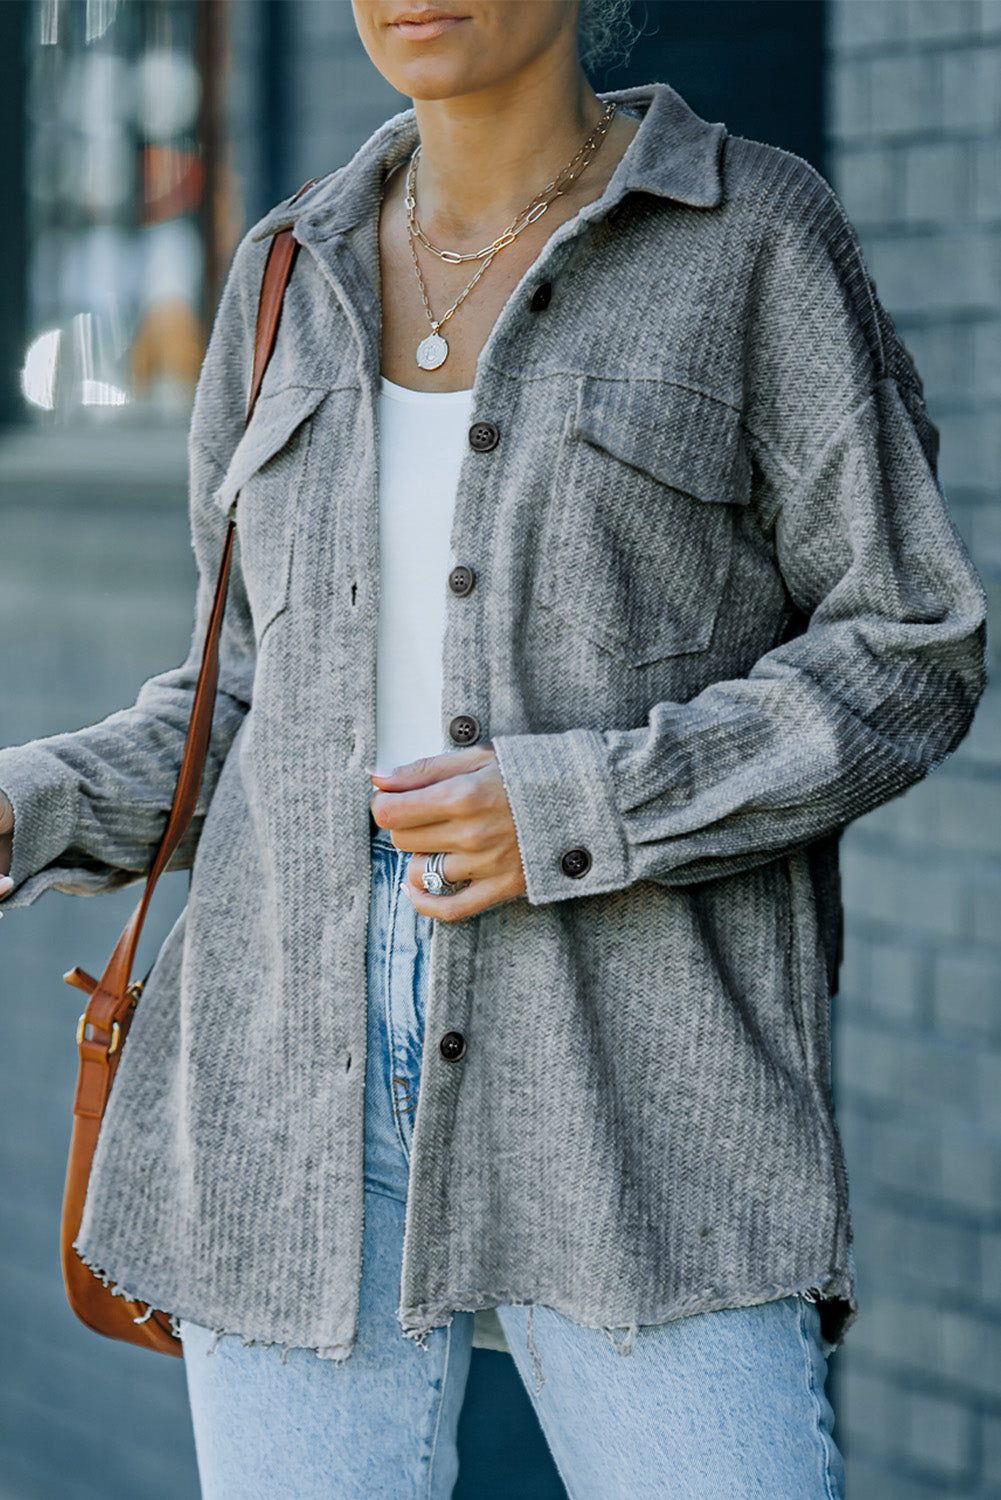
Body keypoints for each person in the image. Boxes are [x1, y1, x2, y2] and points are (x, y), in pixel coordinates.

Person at [0, 1, 987, 1495]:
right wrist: (28, 805)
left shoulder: (750, 238)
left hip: (638, 1074)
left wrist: (583, 806)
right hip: (281, 1081)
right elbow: (248, 707)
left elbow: (910, 641)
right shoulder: (281, 269)